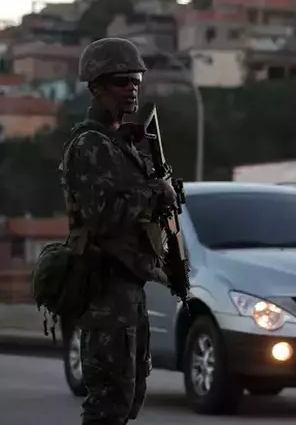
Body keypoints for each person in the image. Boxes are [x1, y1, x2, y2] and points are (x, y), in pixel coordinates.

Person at [60, 37, 176, 424]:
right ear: (96, 86)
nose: (132, 88)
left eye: (136, 80)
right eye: (120, 81)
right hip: (105, 287)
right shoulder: (90, 145)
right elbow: (103, 216)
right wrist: (154, 193)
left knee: (128, 398)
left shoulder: (120, 144)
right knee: (109, 404)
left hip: (129, 284)